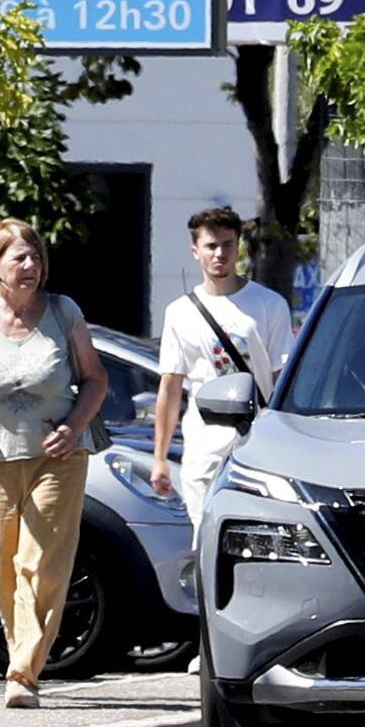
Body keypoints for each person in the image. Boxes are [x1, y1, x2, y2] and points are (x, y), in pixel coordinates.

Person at [0, 218, 105, 706]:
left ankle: (22, 672)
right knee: (0, 568)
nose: (31, 265)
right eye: (20, 258)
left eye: (35, 256)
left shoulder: (63, 312)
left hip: (58, 454)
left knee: (41, 562)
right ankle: (22, 656)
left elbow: (95, 379)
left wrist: (73, 428)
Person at [150, 204, 297, 507]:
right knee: (203, 534)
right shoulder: (180, 312)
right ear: (196, 251)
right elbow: (171, 386)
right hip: (203, 444)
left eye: (227, 244)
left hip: (257, 442)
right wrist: (160, 458)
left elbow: (282, 377)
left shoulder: (268, 304)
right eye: (211, 246)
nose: (219, 253)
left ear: (238, 247)